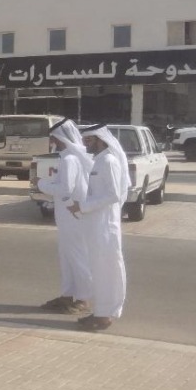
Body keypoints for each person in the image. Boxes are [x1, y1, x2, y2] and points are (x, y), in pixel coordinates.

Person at [69, 124, 130, 331]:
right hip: (96, 225)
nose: (85, 145)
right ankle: (100, 312)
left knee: (106, 271)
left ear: (100, 140)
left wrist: (84, 206)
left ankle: (105, 316)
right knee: (98, 270)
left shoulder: (109, 161)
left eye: (88, 141)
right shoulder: (99, 161)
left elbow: (114, 194)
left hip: (105, 226)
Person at [35, 118, 92, 315]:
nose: (52, 140)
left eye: (53, 136)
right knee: (66, 256)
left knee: (77, 256)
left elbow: (66, 189)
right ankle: (67, 295)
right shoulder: (68, 157)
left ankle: (83, 298)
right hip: (67, 216)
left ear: (60, 137)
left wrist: (42, 184)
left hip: (72, 216)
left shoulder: (70, 159)